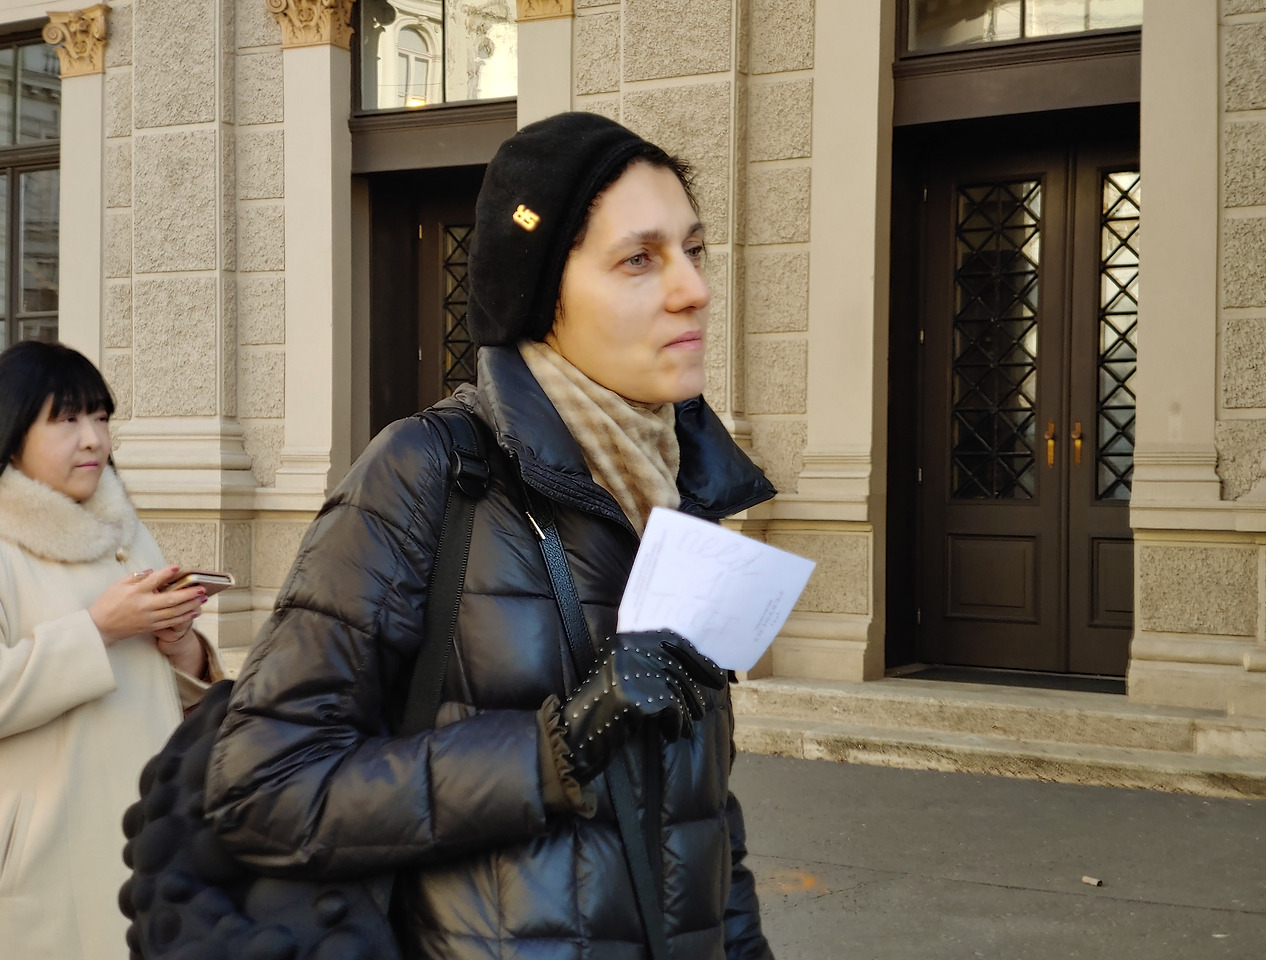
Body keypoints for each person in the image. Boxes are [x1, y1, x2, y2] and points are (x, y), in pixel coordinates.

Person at [205, 112, 777, 960]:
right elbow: (260, 790)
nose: (693, 288)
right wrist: (554, 750)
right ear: (542, 298)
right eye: (639, 259)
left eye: (694, 250)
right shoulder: (429, 471)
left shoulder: (682, 489)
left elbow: (701, 816)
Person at [0, 340, 223, 960]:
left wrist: (181, 647)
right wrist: (98, 629)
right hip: (46, 856)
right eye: (68, 419)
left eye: (100, 418)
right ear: (13, 433)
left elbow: (162, 684)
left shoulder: (125, 532)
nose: (94, 439)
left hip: (149, 838)